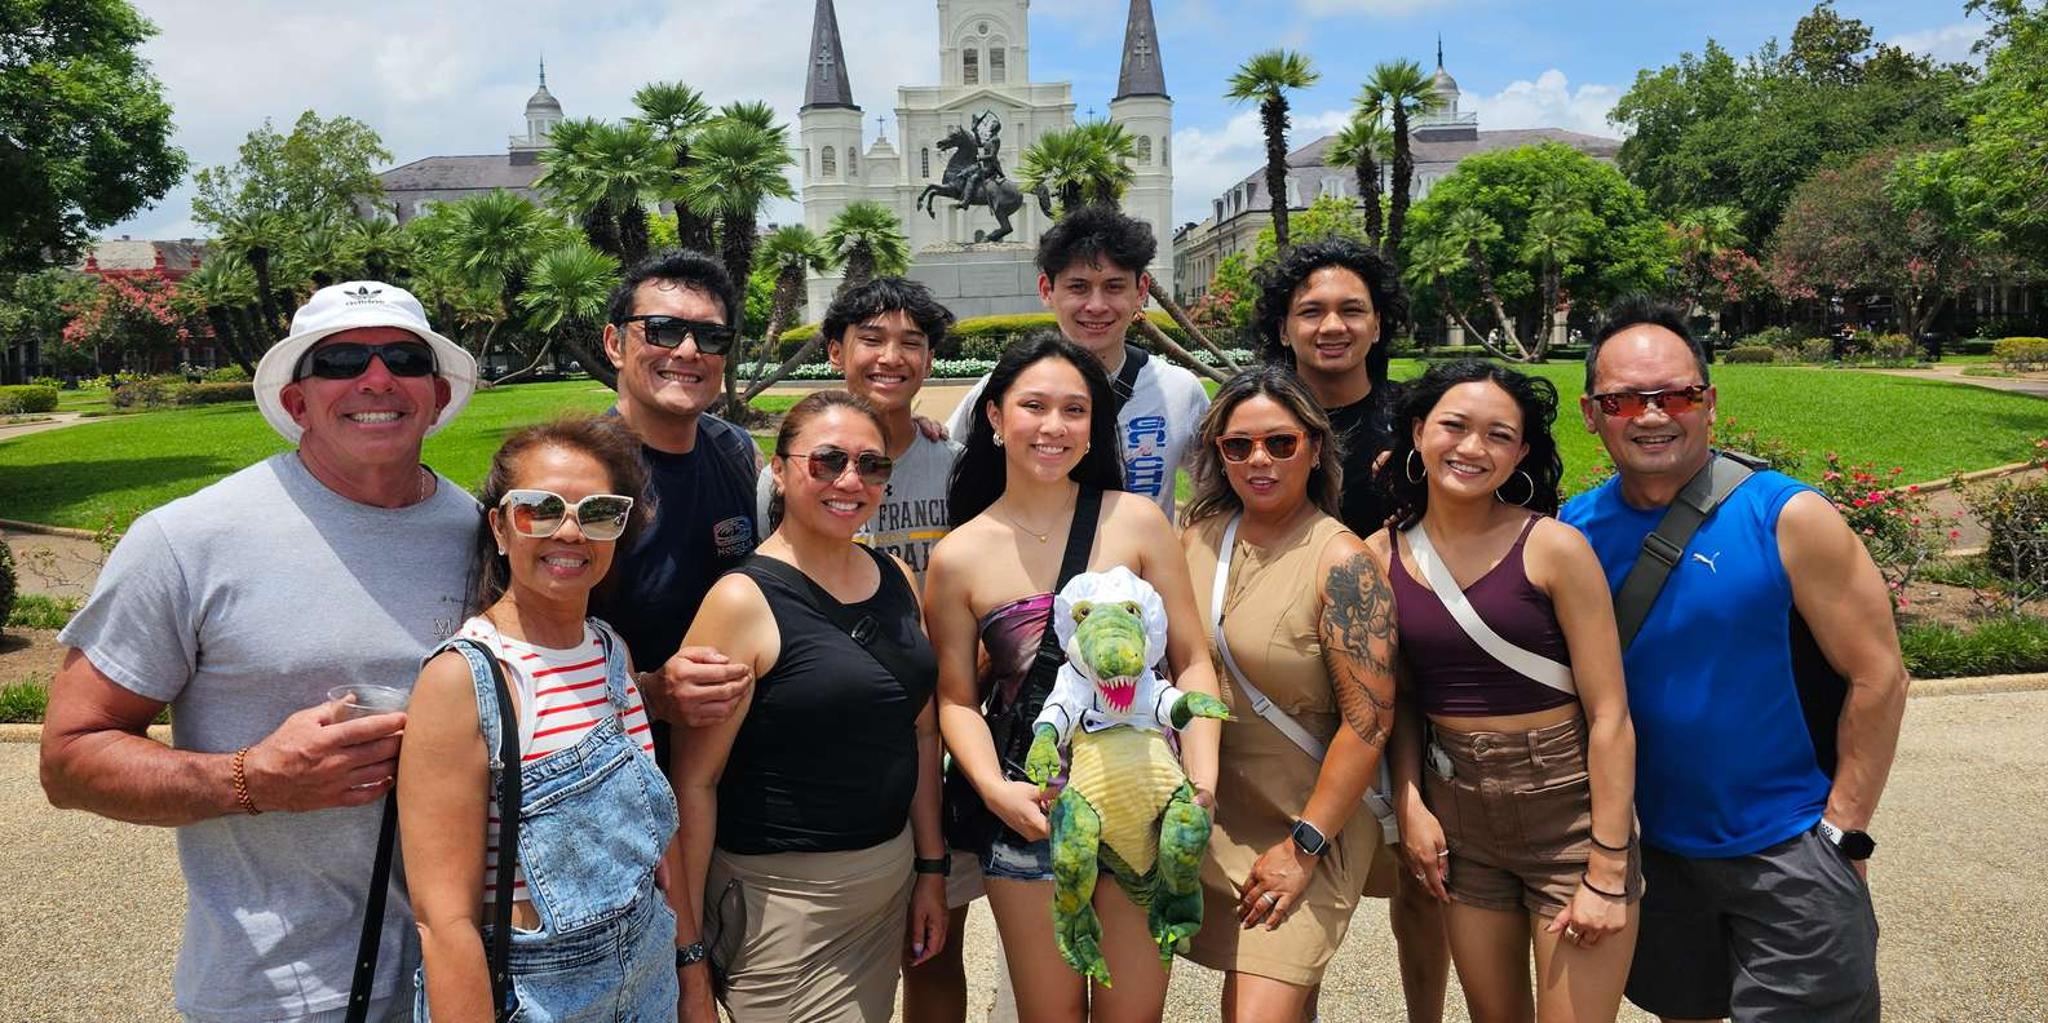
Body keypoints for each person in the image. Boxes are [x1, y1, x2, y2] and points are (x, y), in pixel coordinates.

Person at [39, 281, 480, 1022]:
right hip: (284, 992)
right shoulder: (188, 540)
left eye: (403, 357)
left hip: (468, 975)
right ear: (298, 400)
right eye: (340, 360)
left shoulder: (484, 530)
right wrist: (253, 778)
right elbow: (68, 758)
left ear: (435, 395)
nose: (376, 378)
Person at [1561, 297, 1904, 1022]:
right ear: (1591, 412)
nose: (1652, 415)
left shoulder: (1788, 515)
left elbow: (1879, 675)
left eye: (1676, 394)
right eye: (1624, 399)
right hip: (1651, 855)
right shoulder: (1573, 530)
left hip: (1786, 848)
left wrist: (1844, 831)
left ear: (1709, 403)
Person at [925, 335, 1223, 1020]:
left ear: (1095, 427)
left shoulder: (1139, 521)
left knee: (1134, 1013)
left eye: (1074, 409)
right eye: (1033, 406)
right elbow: (956, 698)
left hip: (1144, 802)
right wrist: (996, 790)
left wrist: (1202, 783)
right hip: (1031, 811)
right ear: (996, 417)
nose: (1053, 426)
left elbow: (1191, 659)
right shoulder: (959, 555)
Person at [1376, 359, 1643, 1022]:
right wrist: (1410, 804)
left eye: (1499, 434)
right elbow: (1401, 701)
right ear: (1418, 431)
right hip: (1460, 814)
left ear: (1521, 451)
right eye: (1455, 426)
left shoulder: (1553, 547)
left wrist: (1607, 864)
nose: (1472, 448)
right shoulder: (1376, 555)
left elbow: (1609, 713)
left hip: (1568, 811)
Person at [674, 390, 949, 1022]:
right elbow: (696, 782)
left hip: (887, 880)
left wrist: (930, 867)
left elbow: (921, 733)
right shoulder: (742, 600)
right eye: (827, 461)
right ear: (780, 467)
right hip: (785, 903)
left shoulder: (897, 579)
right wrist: (688, 951)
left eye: (872, 465)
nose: (850, 480)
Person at [401, 417, 675, 1020]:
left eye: (599, 512)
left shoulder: (610, 651)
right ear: (500, 526)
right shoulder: (464, 681)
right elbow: (445, 921)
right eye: (539, 510)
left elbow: (651, 836)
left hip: (648, 967)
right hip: (540, 992)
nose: (570, 532)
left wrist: (689, 963)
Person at [1254, 237, 1454, 1021]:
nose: (1330, 325)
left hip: (1407, 678)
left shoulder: (1417, 423)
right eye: (1310, 311)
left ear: (1379, 324)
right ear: (1283, 326)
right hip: (1289, 686)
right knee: (1292, 874)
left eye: (1350, 310)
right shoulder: (1261, 418)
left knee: (1421, 874)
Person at [1178, 367, 1400, 1021]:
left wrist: (1304, 846)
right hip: (1217, 814)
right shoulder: (1195, 537)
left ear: (1314, 445)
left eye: (1280, 442)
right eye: (1237, 444)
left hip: (1310, 820)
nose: (1259, 459)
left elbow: (1368, 724)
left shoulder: (1344, 562)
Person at [589, 249, 760, 752]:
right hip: (616, 769)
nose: (688, 351)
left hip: (731, 763)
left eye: (710, 337)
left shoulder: (737, 452)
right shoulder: (581, 474)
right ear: (614, 344)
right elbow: (527, 653)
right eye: (663, 330)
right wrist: (650, 694)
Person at [946, 204, 1210, 521]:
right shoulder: (1000, 390)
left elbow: (1216, 495)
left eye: (1114, 286)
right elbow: (943, 463)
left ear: (1141, 292)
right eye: (1078, 287)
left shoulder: (1180, 391)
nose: (1096, 306)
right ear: (1047, 290)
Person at [755, 276, 960, 585]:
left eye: (910, 343)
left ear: (929, 361)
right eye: (872, 340)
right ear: (836, 353)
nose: (891, 358)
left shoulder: (956, 467)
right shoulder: (789, 474)